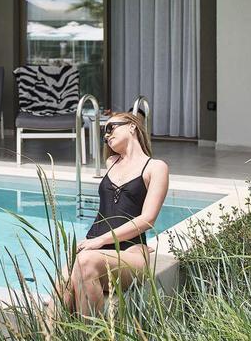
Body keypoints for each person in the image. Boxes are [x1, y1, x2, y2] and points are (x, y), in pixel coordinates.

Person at [60, 111, 169, 315]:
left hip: (130, 253)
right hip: (95, 252)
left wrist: (99, 240)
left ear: (132, 126)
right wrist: (96, 243)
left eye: (110, 128)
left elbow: (147, 219)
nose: (107, 136)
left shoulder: (155, 167)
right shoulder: (111, 164)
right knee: (60, 288)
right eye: (104, 134)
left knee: (85, 262)